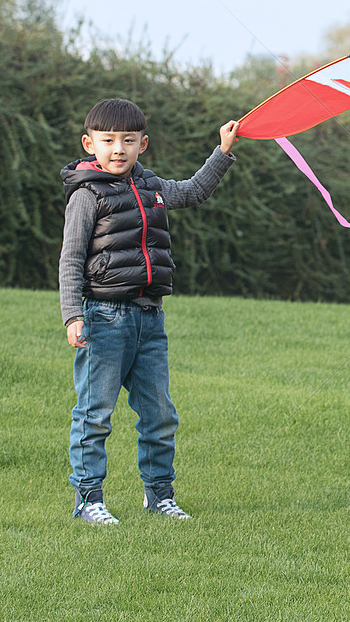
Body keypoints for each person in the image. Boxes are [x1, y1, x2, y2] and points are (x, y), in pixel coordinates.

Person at [59, 98, 240, 524]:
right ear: (90, 144)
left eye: (127, 140)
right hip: (103, 317)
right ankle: (88, 500)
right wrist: (73, 315)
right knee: (94, 413)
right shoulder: (86, 195)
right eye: (107, 141)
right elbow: (70, 259)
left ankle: (159, 495)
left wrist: (224, 151)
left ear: (144, 144)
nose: (117, 149)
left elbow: (194, 190)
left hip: (150, 319)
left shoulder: (152, 187)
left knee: (159, 413)